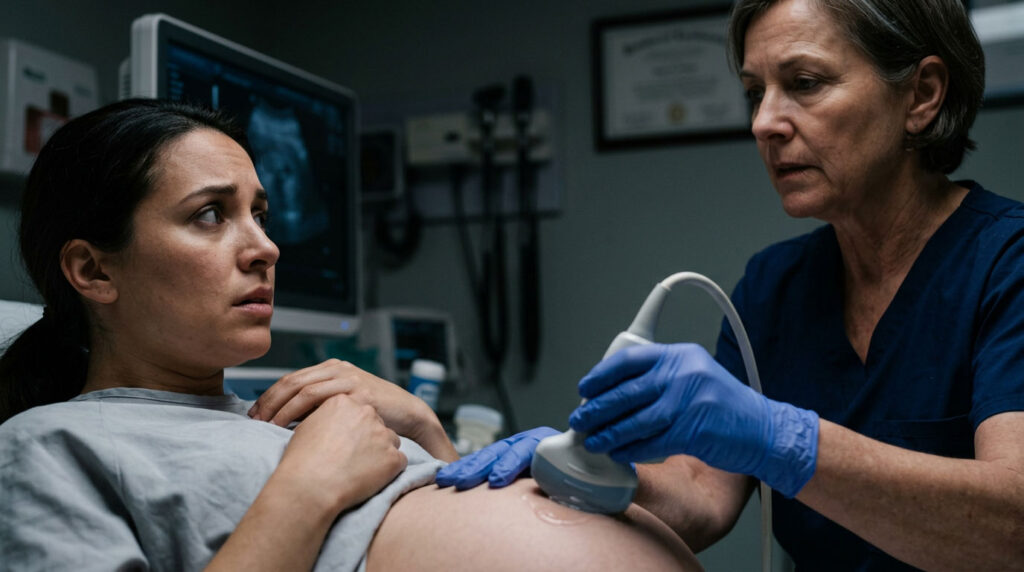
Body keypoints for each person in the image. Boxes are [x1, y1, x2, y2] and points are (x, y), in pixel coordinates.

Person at [437, 0, 1024, 569]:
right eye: (754, 92)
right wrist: (593, 471)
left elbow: (1014, 526)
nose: (764, 122)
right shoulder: (775, 288)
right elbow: (702, 495)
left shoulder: (1006, 263)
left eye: (805, 83)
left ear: (921, 95)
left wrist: (781, 439)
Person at [0, 99, 702, 571]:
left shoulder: (283, 415)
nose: (266, 247)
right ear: (93, 270)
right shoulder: (45, 448)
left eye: (259, 215)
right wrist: (307, 488)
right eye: (210, 215)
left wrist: (426, 430)